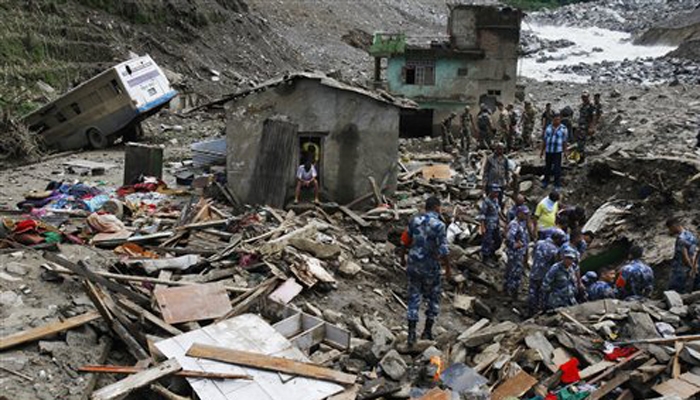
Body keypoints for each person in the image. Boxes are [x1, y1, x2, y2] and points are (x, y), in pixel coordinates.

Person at [403, 197, 450, 346]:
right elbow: (444, 250)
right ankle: (427, 331)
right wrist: (448, 268)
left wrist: (402, 258)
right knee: (433, 298)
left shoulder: (414, 220)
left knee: (413, 297)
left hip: (413, 264)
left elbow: (405, 240)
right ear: (437, 208)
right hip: (430, 267)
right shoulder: (439, 225)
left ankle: (411, 334)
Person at [529, 231, 566, 315]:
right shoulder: (555, 250)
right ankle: (538, 313)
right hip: (544, 275)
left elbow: (533, 254)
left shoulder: (539, 243)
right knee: (542, 294)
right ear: (556, 239)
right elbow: (555, 263)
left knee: (532, 292)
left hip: (534, 271)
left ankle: (530, 310)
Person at [504, 206, 530, 300]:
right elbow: (509, 237)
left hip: (520, 253)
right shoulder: (514, 224)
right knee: (514, 272)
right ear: (519, 213)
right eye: (525, 214)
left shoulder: (522, 223)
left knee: (514, 271)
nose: (526, 216)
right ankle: (511, 293)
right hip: (515, 253)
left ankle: (510, 290)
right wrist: (515, 245)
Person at [666, 218, 698, 293]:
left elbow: (684, 256)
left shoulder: (681, 239)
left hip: (680, 269)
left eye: (670, 228)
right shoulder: (691, 236)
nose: (670, 231)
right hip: (692, 266)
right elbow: (695, 252)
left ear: (674, 226)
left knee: (674, 291)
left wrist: (690, 266)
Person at [540, 112, 568, 189]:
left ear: (560, 120)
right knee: (547, 167)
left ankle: (557, 184)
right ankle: (546, 181)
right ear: (553, 120)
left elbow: (564, 141)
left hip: (557, 151)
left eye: (558, 119)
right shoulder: (548, 128)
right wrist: (542, 151)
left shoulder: (564, 129)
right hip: (549, 150)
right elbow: (544, 140)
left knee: (557, 168)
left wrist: (565, 152)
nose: (556, 121)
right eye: (555, 119)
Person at [480, 185, 502, 264]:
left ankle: (491, 253)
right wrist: (482, 227)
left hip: (496, 224)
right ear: (491, 192)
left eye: (498, 192)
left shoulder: (496, 200)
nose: (497, 194)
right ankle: (485, 258)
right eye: (495, 192)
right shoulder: (486, 201)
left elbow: (498, 211)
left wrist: (504, 220)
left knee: (498, 240)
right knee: (487, 241)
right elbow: (482, 215)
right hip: (488, 224)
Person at [575, 91, 596, 164]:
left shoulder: (591, 106)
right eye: (583, 97)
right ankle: (580, 158)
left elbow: (593, 117)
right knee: (579, 143)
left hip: (586, 126)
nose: (584, 99)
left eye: (585, 97)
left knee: (582, 143)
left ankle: (581, 159)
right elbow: (580, 117)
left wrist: (591, 127)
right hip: (581, 126)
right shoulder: (582, 106)